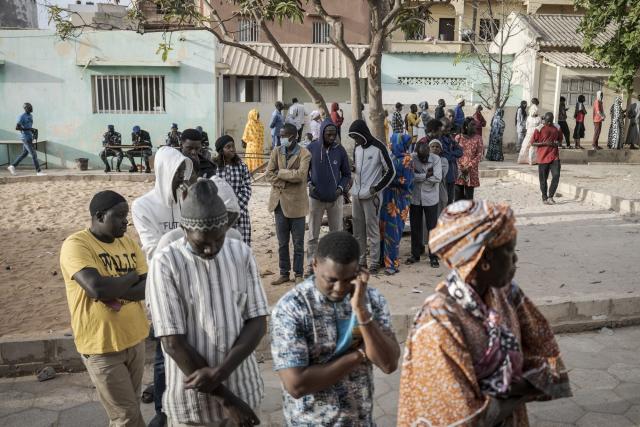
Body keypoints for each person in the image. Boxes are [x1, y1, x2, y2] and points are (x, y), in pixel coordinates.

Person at [398, 200, 572, 426]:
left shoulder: (505, 293)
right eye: (509, 250)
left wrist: (509, 388)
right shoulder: (438, 324)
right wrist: (519, 388)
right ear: (485, 259)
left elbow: (545, 353)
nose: (516, 259)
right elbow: (458, 416)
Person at [148, 179, 268, 427]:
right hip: (193, 404)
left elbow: (257, 321)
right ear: (183, 229)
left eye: (218, 239)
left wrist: (221, 372)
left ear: (226, 227)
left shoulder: (241, 253)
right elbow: (172, 342)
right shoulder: (165, 263)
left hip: (243, 386)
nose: (210, 250)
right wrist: (228, 400)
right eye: (201, 243)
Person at [270, 231, 400, 426]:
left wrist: (362, 311)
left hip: (360, 420)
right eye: (331, 280)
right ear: (314, 265)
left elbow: (388, 364)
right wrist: (359, 355)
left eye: (348, 279)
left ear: (359, 271)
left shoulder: (371, 299)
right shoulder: (291, 308)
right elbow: (296, 385)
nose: (340, 288)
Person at [60, 190, 149, 427]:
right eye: (119, 216)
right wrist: (131, 277)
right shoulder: (76, 245)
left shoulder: (128, 243)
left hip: (135, 339)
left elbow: (147, 287)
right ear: (99, 216)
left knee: (130, 408)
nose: (125, 222)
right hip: (101, 345)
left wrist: (116, 284)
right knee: (126, 415)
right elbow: (96, 288)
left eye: (126, 216)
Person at [131, 147, 192, 427]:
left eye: (183, 171)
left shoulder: (184, 198)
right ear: (165, 170)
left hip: (191, 284)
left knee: (190, 344)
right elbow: (154, 250)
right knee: (163, 352)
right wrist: (187, 232)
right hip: (162, 287)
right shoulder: (142, 205)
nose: (182, 176)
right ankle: (162, 409)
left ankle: (187, 402)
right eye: (178, 170)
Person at [266, 123, 311, 285]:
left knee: (298, 243)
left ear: (293, 137)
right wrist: (285, 180)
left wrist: (281, 173)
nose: (281, 138)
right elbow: (268, 175)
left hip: (297, 205)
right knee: (282, 243)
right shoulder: (276, 151)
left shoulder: (305, 153)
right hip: (279, 204)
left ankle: (298, 273)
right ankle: (284, 272)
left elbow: (300, 176)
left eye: (284, 135)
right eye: (280, 135)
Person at [349, 119, 395, 274]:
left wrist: (376, 188)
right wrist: (353, 168)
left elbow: (391, 171)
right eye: (353, 138)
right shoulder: (357, 147)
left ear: (364, 133)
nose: (356, 141)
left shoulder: (378, 147)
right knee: (358, 230)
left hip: (371, 196)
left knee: (372, 229)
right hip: (356, 194)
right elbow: (357, 168)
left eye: (357, 137)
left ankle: (374, 262)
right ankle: (361, 261)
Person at [306, 120, 351, 277]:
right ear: (322, 133)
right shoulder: (311, 148)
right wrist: (309, 183)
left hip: (335, 199)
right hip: (315, 199)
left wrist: (340, 189)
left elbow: (346, 174)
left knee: (336, 234)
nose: (332, 137)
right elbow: (304, 170)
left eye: (334, 134)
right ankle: (311, 266)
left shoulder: (340, 150)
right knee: (313, 234)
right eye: (329, 134)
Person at [380, 133, 414, 275]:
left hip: (399, 200)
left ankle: (392, 264)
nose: (390, 144)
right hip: (387, 197)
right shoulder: (392, 157)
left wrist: (387, 179)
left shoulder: (407, 159)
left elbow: (406, 182)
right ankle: (383, 259)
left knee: (394, 231)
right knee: (383, 228)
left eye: (392, 142)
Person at [406, 140, 442, 267]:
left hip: (431, 198)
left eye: (426, 157)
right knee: (415, 227)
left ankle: (433, 256)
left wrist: (419, 176)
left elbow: (437, 178)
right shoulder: (412, 158)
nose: (425, 159)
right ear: (417, 154)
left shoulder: (436, 159)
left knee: (432, 227)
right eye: (422, 158)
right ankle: (415, 255)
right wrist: (426, 175)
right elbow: (410, 177)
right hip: (415, 197)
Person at [214, 135, 253, 246]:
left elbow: (246, 188)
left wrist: (234, 207)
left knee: (242, 246)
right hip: (219, 216)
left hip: (241, 214)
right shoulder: (215, 167)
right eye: (228, 147)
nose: (232, 149)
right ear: (221, 150)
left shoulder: (242, 166)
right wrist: (224, 209)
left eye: (233, 146)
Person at [7, 102, 45, 176]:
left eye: (31, 106)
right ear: (25, 108)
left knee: (24, 154)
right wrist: (29, 129)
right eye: (29, 107)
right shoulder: (21, 116)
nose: (31, 108)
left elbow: (28, 127)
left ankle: (12, 166)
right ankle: (38, 171)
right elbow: (17, 127)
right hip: (25, 138)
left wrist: (32, 130)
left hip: (29, 137)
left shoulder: (31, 116)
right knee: (34, 154)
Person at [533, 112, 563, 205]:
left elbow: (560, 140)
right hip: (542, 157)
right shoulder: (539, 128)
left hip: (554, 156)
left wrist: (557, 143)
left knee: (556, 175)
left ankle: (551, 196)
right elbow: (533, 143)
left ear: (552, 119)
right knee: (543, 179)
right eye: (547, 121)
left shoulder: (557, 127)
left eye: (550, 121)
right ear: (544, 119)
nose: (549, 123)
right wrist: (545, 143)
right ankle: (544, 197)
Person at [455, 117, 483, 200]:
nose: (475, 127)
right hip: (459, 171)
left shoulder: (478, 138)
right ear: (466, 126)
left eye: (475, 125)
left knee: (469, 197)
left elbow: (479, 155)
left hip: (471, 171)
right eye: (472, 125)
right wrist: (460, 167)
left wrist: (468, 166)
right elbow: (454, 154)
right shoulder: (458, 137)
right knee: (457, 197)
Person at [439, 118, 463, 204]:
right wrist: (453, 154)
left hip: (452, 173)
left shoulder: (450, 138)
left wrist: (450, 153)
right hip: (443, 175)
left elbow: (460, 151)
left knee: (450, 200)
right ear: (440, 127)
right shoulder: (438, 141)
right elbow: (445, 156)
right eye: (446, 127)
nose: (449, 129)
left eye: (449, 127)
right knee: (443, 201)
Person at [429, 139, 449, 214]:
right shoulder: (425, 160)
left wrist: (428, 173)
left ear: (440, 149)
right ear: (429, 148)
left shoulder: (444, 160)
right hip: (428, 189)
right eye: (432, 146)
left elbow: (440, 174)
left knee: (440, 210)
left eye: (437, 147)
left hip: (440, 188)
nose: (435, 148)